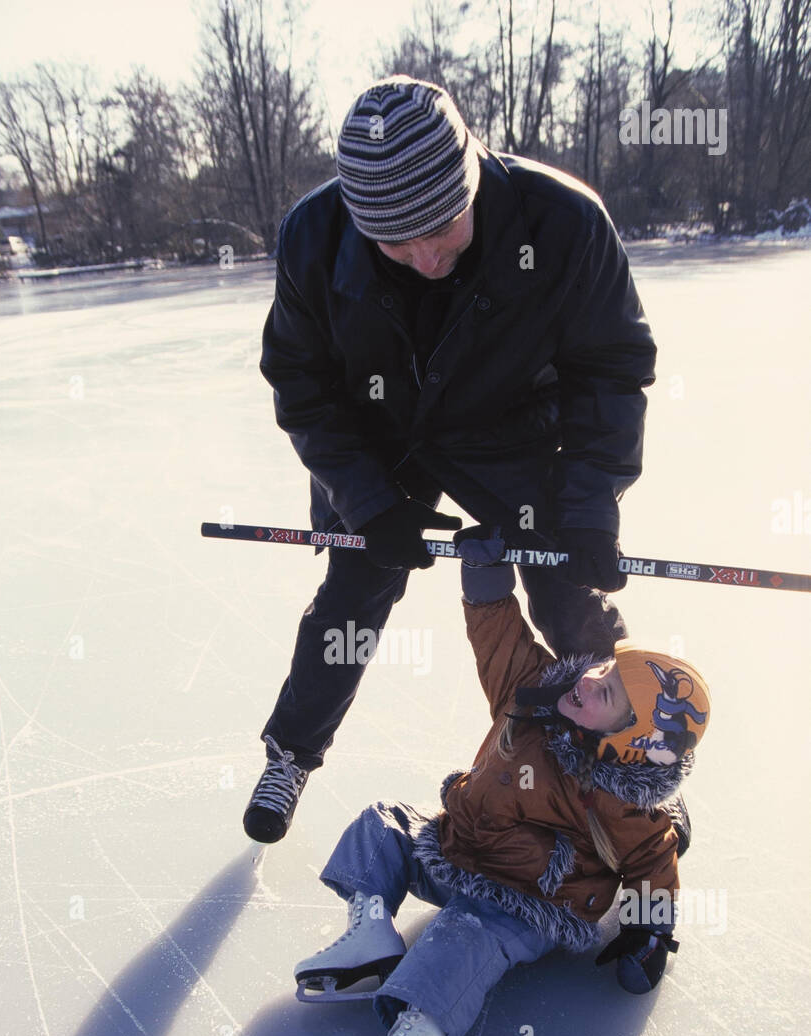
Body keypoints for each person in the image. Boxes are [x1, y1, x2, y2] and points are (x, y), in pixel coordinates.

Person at [245, 76, 657, 844]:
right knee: (352, 597)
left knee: (569, 591)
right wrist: (367, 502)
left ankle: (634, 761)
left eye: (443, 226)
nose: (425, 256)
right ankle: (291, 754)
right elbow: (300, 386)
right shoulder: (314, 236)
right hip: (379, 440)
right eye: (395, 243)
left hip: (510, 432)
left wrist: (591, 509)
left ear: (469, 174)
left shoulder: (562, 221)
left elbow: (611, 370)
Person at [296, 531, 711, 1036]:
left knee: (461, 933)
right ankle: (371, 940)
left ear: (631, 745)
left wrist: (650, 933)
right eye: (606, 669)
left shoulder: (621, 795)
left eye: (612, 697)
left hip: (533, 898)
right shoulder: (534, 691)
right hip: (460, 845)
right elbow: (499, 638)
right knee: (381, 825)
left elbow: (654, 856)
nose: (592, 679)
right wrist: (486, 577)